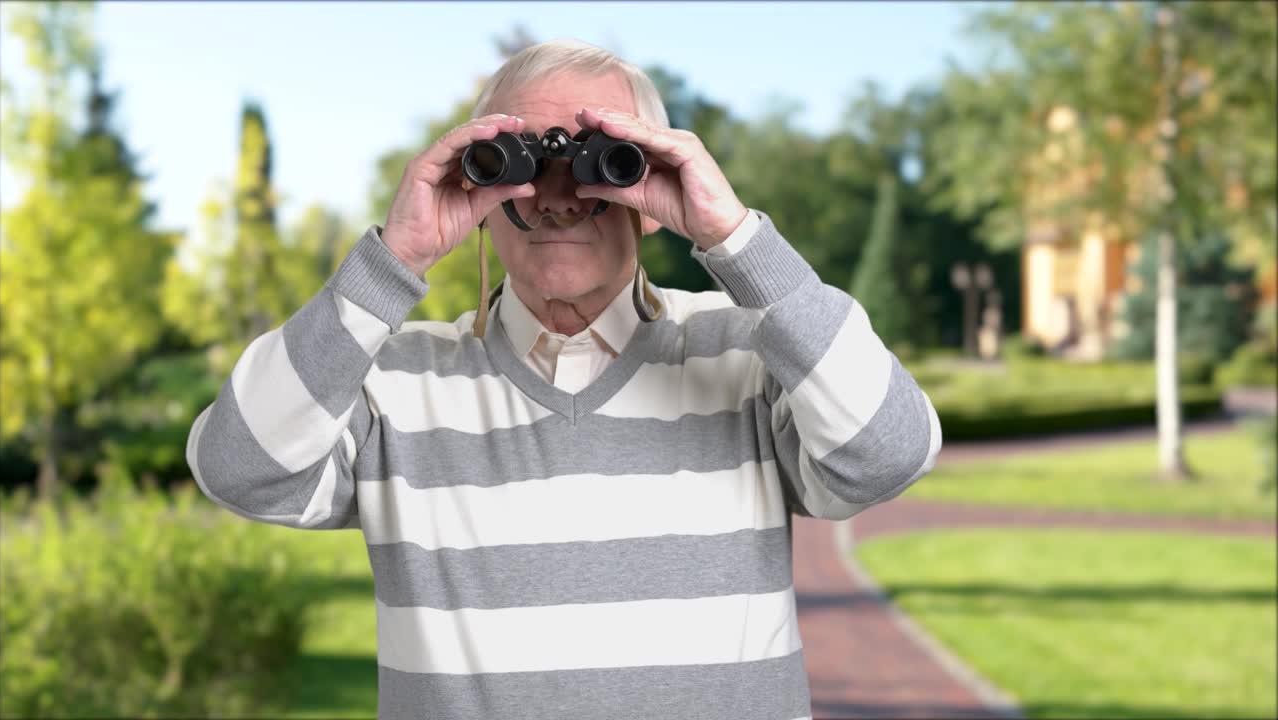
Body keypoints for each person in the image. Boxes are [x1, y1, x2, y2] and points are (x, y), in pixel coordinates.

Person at [186, 38, 942, 720]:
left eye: (600, 159)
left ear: (650, 187)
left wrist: (735, 239)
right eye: (516, 161)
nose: (557, 194)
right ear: (477, 189)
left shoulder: (748, 352)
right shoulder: (392, 378)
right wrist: (394, 261)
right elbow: (239, 468)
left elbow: (890, 452)